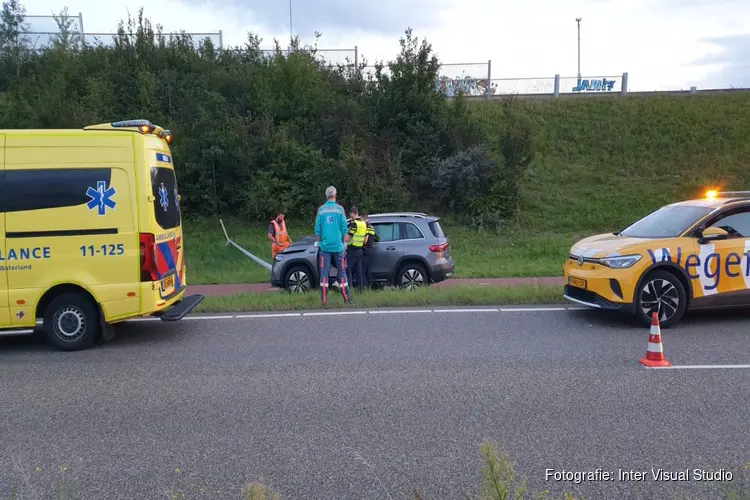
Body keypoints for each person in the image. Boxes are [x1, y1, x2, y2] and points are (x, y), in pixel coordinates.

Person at [314, 186, 351, 304]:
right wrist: (344, 243)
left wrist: (319, 242)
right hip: (338, 246)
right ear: (335, 195)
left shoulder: (321, 210)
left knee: (325, 271)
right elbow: (344, 229)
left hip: (325, 247)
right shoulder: (340, 210)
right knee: (342, 271)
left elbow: (318, 229)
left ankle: (324, 299)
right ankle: (346, 297)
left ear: (326, 196)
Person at [346, 206, 367, 291]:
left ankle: (349, 288)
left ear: (352, 214)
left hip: (352, 249)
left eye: (350, 214)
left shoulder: (354, 224)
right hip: (360, 250)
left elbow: (349, 237)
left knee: (348, 269)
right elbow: (365, 239)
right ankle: (360, 289)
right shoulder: (363, 223)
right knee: (359, 271)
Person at [361, 212, 377, 288]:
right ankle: (369, 286)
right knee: (368, 270)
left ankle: (364, 287)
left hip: (365, 249)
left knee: (362, 270)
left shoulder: (366, 226)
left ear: (363, 218)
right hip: (370, 249)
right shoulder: (371, 227)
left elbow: (365, 240)